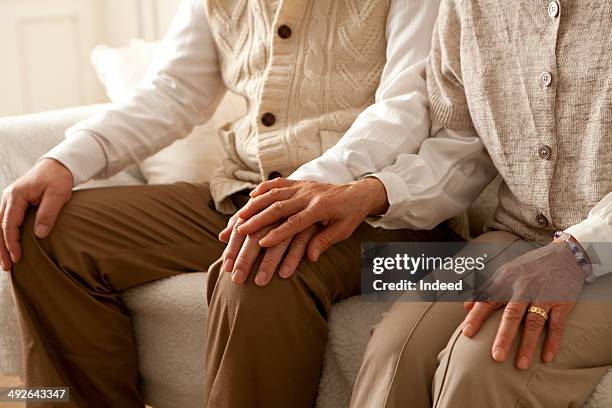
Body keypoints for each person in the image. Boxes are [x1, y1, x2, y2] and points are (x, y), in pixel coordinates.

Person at [1, 0, 497, 407]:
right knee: (46, 229)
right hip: (243, 193)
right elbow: (173, 89)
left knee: (264, 261)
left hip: (376, 208)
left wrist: (312, 186)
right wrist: (64, 161)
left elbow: (407, 103)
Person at [233, 0, 612, 407]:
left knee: (483, 364)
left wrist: (578, 252)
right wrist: (371, 192)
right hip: (520, 235)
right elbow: (463, 144)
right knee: (394, 353)